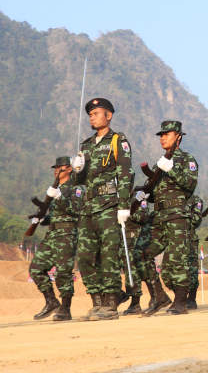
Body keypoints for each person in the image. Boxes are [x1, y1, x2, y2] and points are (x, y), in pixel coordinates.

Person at [72, 97, 134, 320]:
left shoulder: (118, 140)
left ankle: (111, 303)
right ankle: (97, 301)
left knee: (108, 255)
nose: (92, 117)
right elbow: (79, 181)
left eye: (96, 113)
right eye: (90, 114)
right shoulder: (86, 145)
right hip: (88, 207)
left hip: (109, 205)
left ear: (108, 116)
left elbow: (125, 173)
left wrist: (124, 205)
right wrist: (77, 170)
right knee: (85, 256)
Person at [140, 120, 198, 315]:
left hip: (176, 216)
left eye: (167, 134)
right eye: (161, 135)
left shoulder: (186, 159)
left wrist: (170, 169)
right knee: (141, 253)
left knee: (176, 260)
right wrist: (144, 194)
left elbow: (190, 185)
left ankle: (180, 302)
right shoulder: (159, 163)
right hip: (158, 218)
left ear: (178, 137)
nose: (162, 138)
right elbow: (154, 192)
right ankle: (159, 296)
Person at [29, 156, 81, 321]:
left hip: (67, 234)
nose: (56, 170)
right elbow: (55, 215)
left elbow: (76, 209)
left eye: (60, 167)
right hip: (52, 234)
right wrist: (42, 220)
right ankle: (51, 301)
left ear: (69, 169)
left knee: (63, 273)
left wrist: (59, 197)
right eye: (55, 168)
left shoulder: (76, 187)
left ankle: (65, 308)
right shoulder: (56, 188)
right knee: (36, 268)